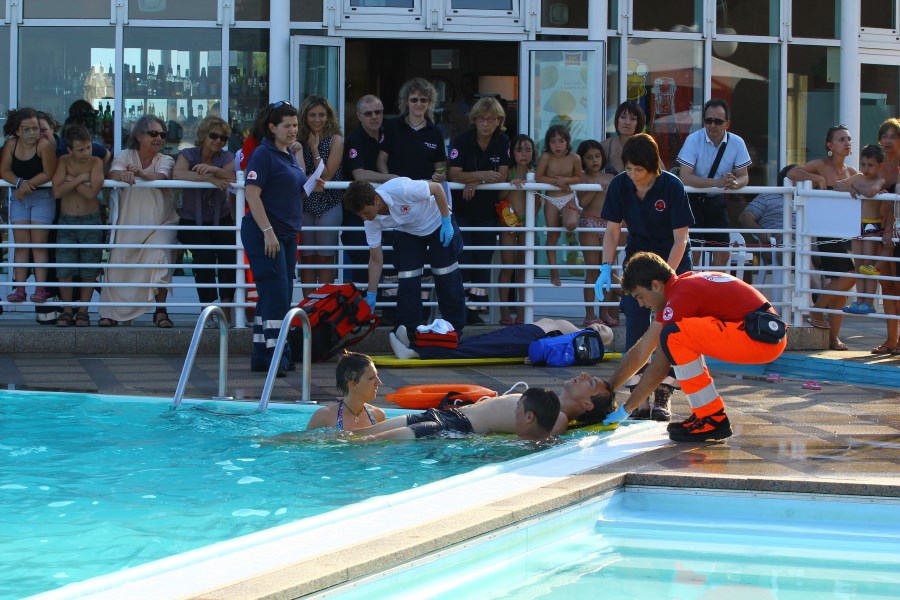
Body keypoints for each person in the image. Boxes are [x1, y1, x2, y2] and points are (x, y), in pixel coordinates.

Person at [602, 251, 787, 442]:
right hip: (763, 333)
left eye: (640, 296)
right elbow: (643, 349)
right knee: (677, 334)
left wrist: (626, 409)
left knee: (674, 336)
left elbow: (659, 367)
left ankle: (711, 417)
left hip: (761, 338)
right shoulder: (680, 289)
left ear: (656, 285)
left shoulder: (681, 295)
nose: (641, 304)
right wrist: (608, 390)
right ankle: (708, 415)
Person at [597, 133, 693, 421]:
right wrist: (606, 266)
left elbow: (681, 238)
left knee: (670, 326)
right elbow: (612, 231)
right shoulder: (620, 185)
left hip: (672, 258)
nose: (633, 174)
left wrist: (669, 278)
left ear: (653, 167)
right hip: (638, 258)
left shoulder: (672, 186)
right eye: (628, 168)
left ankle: (664, 391)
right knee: (635, 319)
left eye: (639, 169)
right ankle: (638, 395)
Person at [241, 101, 324, 374]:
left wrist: (311, 186)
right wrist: (267, 232)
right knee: (277, 295)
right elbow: (252, 193)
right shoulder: (263, 154)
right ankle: (277, 355)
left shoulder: (288, 153)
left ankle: (261, 355)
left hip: (286, 233)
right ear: (272, 127)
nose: (293, 130)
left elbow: (290, 191)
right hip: (267, 233)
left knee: (274, 294)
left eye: (295, 125)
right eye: (287, 125)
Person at [344, 177, 466, 338]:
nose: (365, 218)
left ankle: (454, 329)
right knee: (407, 280)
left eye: (366, 212)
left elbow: (437, 188)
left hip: (437, 222)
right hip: (409, 231)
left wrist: (446, 220)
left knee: (446, 275)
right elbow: (375, 258)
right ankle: (408, 332)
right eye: (360, 215)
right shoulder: (370, 221)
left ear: (377, 200)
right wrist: (371, 294)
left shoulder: (401, 189)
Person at [354, 372, 616, 440]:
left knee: (371, 441)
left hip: (460, 427)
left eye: (591, 382)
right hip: (449, 416)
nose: (584, 375)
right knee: (359, 435)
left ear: (587, 404)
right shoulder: (549, 404)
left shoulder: (557, 418)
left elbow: (532, 442)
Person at [99, 115, 176, 328]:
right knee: (118, 261)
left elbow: (161, 177)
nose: (158, 138)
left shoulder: (166, 160)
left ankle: (161, 311)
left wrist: (141, 174)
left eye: (162, 134)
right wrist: (123, 175)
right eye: (153, 133)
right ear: (139, 136)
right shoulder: (125, 155)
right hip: (129, 221)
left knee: (160, 255)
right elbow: (114, 172)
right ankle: (111, 312)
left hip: (161, 221)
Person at [787, 125, 858, 350]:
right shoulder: (820, 165)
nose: (847, 143)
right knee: (850, 276)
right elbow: (791, 173)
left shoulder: (852, 171)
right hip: (827, 232)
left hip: (847, 231)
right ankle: (817, 311)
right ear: (830, 145)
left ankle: (832, 337)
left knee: (841, 290)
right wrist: (815, 178)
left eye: (848, 139)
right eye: (841, 139)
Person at [448, 96, 511, 325]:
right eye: (481, 119)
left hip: (487, 211)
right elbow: (454, 174)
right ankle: (460, 308)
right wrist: (482, 175)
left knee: (483, 258)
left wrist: (475, 180)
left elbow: (502, 175)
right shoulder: (462, 140)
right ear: (474, 120)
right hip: (462, 209)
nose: (485, 123)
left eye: (491, 119)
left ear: (498, 121)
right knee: (464, 257)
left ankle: (475, 310)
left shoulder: (502, 140)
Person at [172, 115, 237, 324]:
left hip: (221, 218)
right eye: (213, 136)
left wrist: (215, 171)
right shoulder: (188, 154)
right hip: (191, 220)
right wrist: (208, 178)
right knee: (204, 256)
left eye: (223, 138)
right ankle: (207, 308)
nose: (218, 141)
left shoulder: (226, 157)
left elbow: (231, 176)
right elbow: (177, 174)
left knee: (229, 257)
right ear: (203, 135)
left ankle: (226, 308)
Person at [676, 98, 751, 268]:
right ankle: (693, 285)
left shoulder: (737, 142)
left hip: (716, 201)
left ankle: (713, 284)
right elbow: (685, 177)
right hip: (691, 200)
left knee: (722, 253)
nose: (712, 125)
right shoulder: (693, 140)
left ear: (727, 124)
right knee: (692, 253)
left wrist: (735, 184)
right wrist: (717, 183)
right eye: (708, 120)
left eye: (718, 121)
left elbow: (744, 176)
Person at [1, 107, 58, 303]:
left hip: (42, 198)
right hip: (19, 198)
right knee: (21, 245)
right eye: (27, 129)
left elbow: (49, 172)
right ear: (18, 130)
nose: (33, 133)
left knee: (39, 245)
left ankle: (40, 289)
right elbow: (5, 170)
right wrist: (20, 183)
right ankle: (20, 289)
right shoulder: (11, 144)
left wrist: (27, 185)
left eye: (36, 129)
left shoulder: (44, 145)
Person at [50, 125, 104, 327]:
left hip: (91, 220)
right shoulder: (63, 161)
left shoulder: (96, 162)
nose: (86, 153)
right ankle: (67, 309)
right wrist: (82, 179)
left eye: (89, 147)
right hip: (67, 221)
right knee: (64, 267)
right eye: (81, 149)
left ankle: (83, 311)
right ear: (69, 149)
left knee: (89, 268)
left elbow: (92, 193)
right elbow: (57, 192)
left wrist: (71, 180)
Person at [387, 318, 613, 360]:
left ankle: (414, 352)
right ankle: (415, 344)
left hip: (529, 338)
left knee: (472, 348)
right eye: (603, 326)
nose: (600, 326)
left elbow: (558, 351)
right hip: (525, 332)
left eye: (603, 332)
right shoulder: (578, 333)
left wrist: (537, 358)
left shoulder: (583, 340)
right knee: (472, 344)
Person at [834, 144, 888, 315]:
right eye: (863, 164)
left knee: (868, 266)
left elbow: (871, 192)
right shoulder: (858, 178)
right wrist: (850, 187)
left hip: (872, 225)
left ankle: (869, 302)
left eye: (870, 165)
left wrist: (856, 187)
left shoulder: (880, 180)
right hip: (856, 225)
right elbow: (837, 185)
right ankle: (859, 300)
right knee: (858, 264)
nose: (866, 168)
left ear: (880, 165)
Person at [297, 95, 344, 291]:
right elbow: (298, 174)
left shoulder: (336, 139)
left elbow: (327, 174)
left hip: (329, 202)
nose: (317, 119)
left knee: (325, 256)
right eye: (312, 115)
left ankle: (325, 304)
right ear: (305, 116)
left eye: (322, 115)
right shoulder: (297, 139)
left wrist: (315, 149)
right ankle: (308, 304)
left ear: (328, 116)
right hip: (304, 202)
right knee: (307, 257)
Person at [576, 139, 616, 327]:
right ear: (582, 160)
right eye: (589, 157)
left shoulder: (610, 177)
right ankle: (589, 314)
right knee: (592, 270)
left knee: (607, 270)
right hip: (589, 223)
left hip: (608, 224)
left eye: (598, 156)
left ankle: (605, 312)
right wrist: (596, 187)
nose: (594, 160)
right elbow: (582, 203)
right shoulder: (582, 178)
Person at [536, 124, 583, 286]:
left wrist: (566, 180)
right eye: (553, 141)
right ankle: (554, 271)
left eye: (561, 141)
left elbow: (579, 178)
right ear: (548, 143)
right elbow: (539, 177)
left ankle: (564, 219)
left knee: (571, 224)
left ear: (568, 142)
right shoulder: (546, 157)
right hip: (551, 200)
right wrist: (557, 182)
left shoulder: (575, 158)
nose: (557, 145)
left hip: (568, 198)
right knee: (552, 236)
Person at [497, 134, 537, 325]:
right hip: (508, 223)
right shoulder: (508, 170)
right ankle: (504, 312)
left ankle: (522, 313)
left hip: (527, 225)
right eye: (519, 150)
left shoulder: (534, 172)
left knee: (523, 267)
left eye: (528, 150)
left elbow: (538, 201)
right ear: (511, 152)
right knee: (508, 266)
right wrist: (511, 184)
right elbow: (499, 196)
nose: (524, 154)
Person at [377, 77, 447, 183]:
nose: (419, 104)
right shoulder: (392, 126)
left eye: (423, 100)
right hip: (397, 188)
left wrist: (441, 175)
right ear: (406, 101)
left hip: (424, 188)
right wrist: (389, 181)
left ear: (429, 103)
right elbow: (381, 160)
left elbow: (440, 166)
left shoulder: (436, 132)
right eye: (414, 100)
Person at [872, 118, 900, 355]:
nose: (888, 140)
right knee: (887, 286)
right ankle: (891, 340)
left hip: (895, 233)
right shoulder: (876, 164)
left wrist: (891, 229)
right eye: (885, 136)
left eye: (894, 136)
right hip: (877, 230)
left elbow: (895, 204)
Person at [305, 352, 387, 431]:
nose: (379, 382)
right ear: (353, 384)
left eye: (376, 376)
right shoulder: (324, 417)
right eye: (371, 378)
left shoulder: (378, 416)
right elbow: (305, 440)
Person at [601, 101, 645, 175]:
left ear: (639, 123)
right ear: (617, 119)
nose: (627, 122)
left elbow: (662, 176)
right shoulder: (605, 146)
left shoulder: (646, 148)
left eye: (633, 119)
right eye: (623, 117)